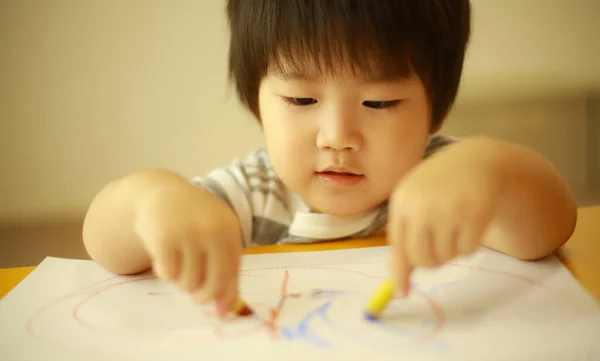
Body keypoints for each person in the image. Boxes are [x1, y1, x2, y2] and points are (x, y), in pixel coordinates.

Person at [82, 0, 577, 316]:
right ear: (257, 101)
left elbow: (548, 231)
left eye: (379, 103)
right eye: (301, 101)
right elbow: (106, 246)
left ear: (437, 108)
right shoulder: (251, 195)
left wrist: (491, 169)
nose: (338, 137)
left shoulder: (446, 183)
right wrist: (151, 200)